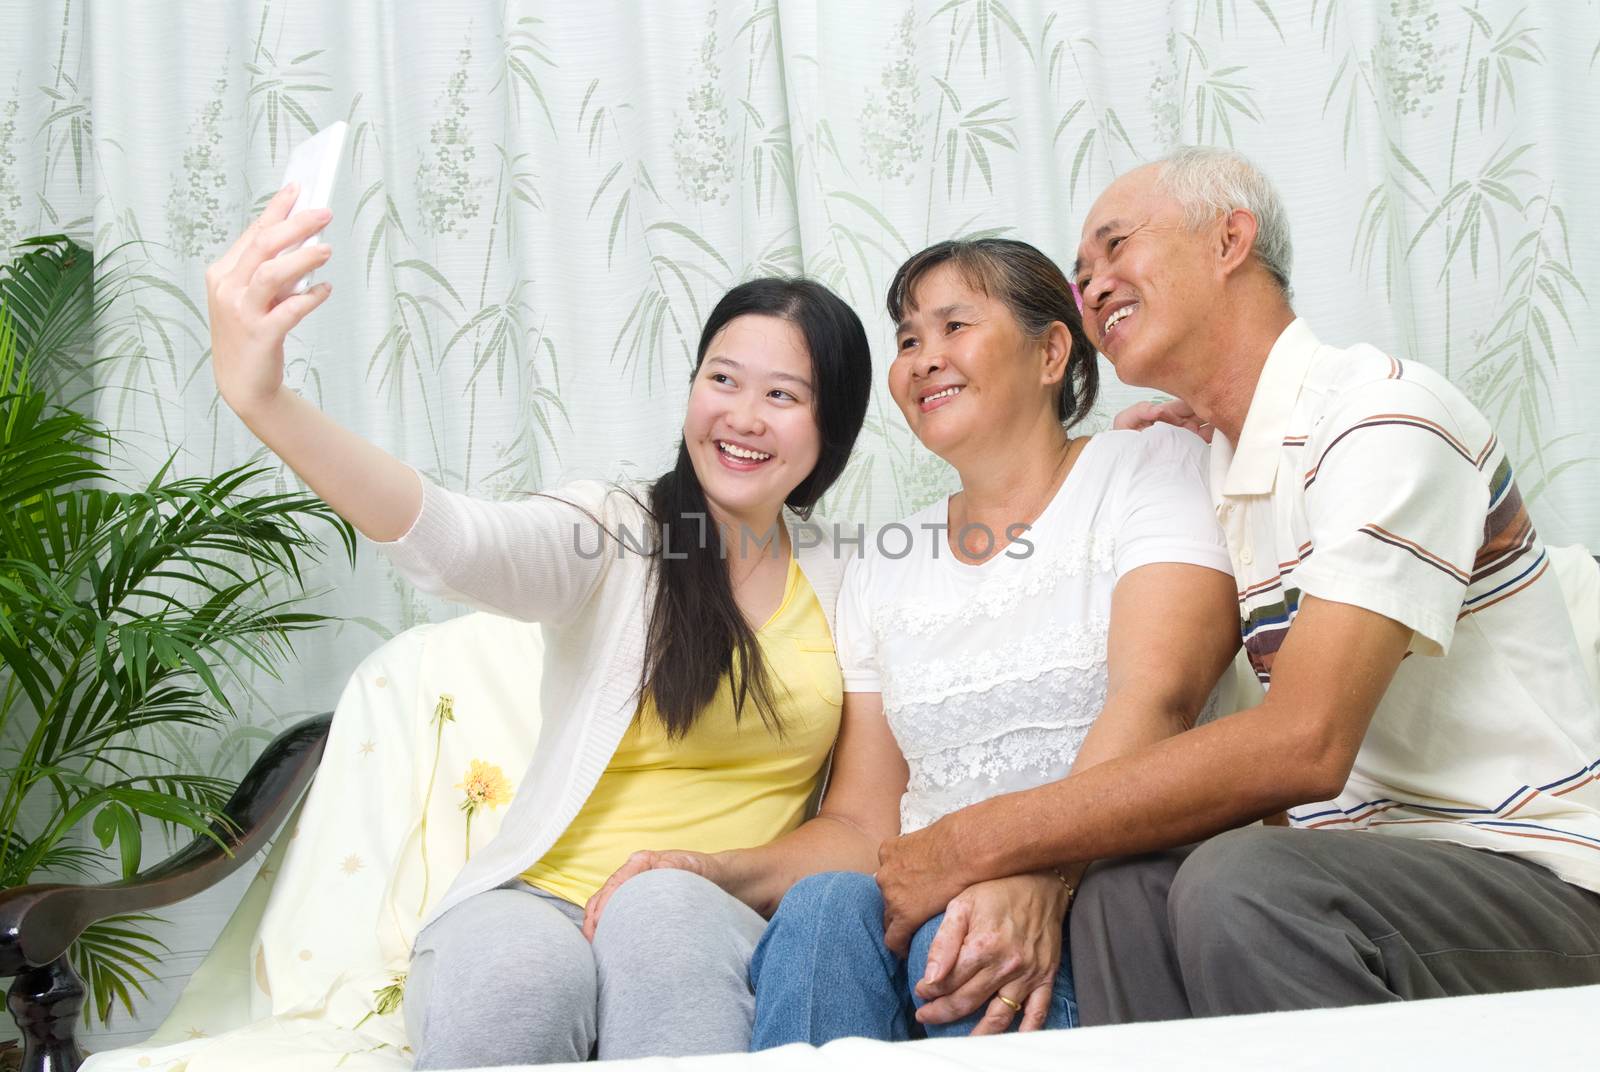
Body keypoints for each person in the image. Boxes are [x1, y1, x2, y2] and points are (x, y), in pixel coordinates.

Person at [869, 146, 1600, 1023]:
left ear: (1229, 239)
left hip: (1529, 873)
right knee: (1123, 891)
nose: (1092, 285)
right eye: (1080, 273)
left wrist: (972, 842)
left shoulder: (1383, 419)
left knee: (1239, 880)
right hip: (1358, 873)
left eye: (1115, 248)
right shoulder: (1210, 461)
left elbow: (1306, 742)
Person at [204, 184, 872, 1065]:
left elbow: (862, 830)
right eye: (722, 379)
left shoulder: (853, 579)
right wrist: (266, 404)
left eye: (783, 394)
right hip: (533, 901)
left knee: (658, 910)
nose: (742, 417)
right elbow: (457, 539)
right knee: (521, 974)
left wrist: (1118, 452)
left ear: (834, 425)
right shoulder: (614, 531)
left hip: (710, 909)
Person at [586, 238, 1238, 1045]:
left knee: (952, 941)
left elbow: (1160, 699)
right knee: (824, 908)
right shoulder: (885, 566)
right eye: (906, 340)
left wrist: (1041, 873)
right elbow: (863, 826)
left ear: (1052, 351)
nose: (923, 359)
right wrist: (715, 870)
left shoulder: (1150, 468)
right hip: (928, 903)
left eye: (953, 326)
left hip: (1092, 892)